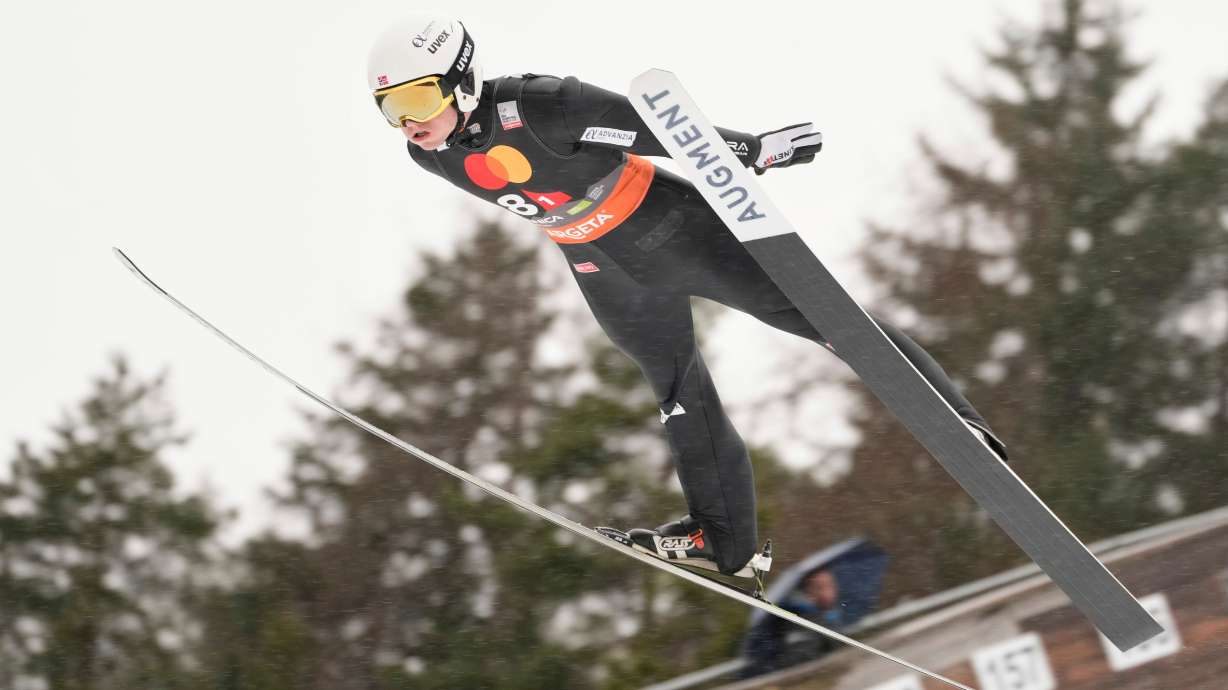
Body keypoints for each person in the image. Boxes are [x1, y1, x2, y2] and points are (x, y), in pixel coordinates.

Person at [366, 14, 1008, 579]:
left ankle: (960, 423)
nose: (410, 123)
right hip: (599, 263)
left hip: (672, 227)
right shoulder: (429, 155)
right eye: (391, 109)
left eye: (419, 99)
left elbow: (657, 128)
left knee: (825, 318)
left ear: (461, 79)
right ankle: (722, 538)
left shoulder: (544, 106)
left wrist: (754, 151)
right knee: (677, 389)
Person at [740, 568, 845, 677]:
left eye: (831, 585)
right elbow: (800, 662)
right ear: (809, 591)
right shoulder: (798, 619)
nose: (830, 591)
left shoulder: (829, 614)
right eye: (821, 587)